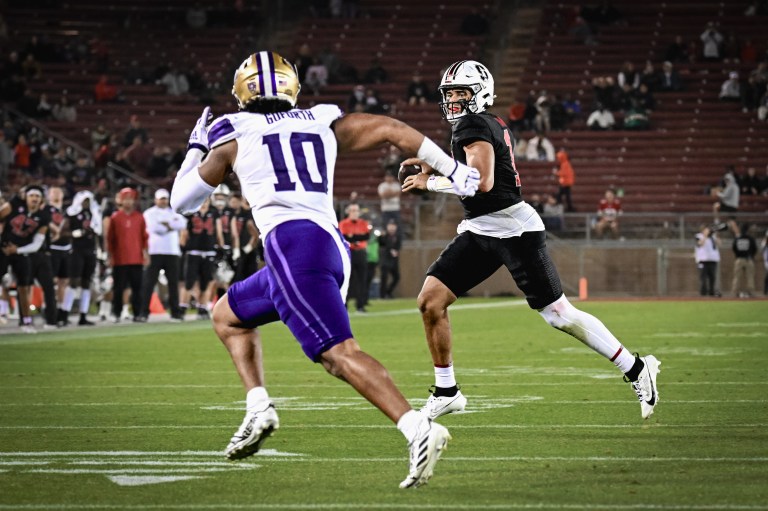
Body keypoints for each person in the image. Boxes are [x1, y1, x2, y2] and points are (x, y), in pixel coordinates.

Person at [169, 51, 480, 488]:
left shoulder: (233, 132)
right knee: (227, 315)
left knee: (339, 355)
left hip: (293, 245)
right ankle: (259, 408)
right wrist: (453, 169)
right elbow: (393, 129)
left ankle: (418, 428)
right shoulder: (319, 120)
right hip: (324, 244)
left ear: (242, 92)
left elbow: (181, 202)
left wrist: (197, 146)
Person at [400, 60, 660, 423]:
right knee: (431, 301)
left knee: (559, 316)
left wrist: (430, 182)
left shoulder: (474, 124)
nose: (455, 100)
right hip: (481, 228)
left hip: (514, 230)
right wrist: (435, 165)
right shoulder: (479, 124)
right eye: (451, 93)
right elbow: (472, 170)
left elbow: (483, 182)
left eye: (462, 92)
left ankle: (636, 367)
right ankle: (447, 391)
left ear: (481, 93)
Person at [0, 185, 52, 333]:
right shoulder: (14, 205)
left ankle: (26, 321)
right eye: (32, 195)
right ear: (26, 197)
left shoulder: (44, 217)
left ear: (42, 200)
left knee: (24, 286)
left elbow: (37, 244)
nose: (34, 199)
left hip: (22, 252)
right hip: (3, 248)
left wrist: (17, 250)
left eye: (37, 196)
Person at [140, 188, 186, 321]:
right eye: (161, 199)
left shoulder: (174, 211)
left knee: (173, 284)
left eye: (165, 198)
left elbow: (183, 223)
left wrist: (166, 225)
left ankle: (175, 312)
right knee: (149, 283)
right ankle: (144, 312)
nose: (163, 201)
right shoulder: (149, 213)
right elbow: (155, 228)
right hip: (154, 251)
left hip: (172, 252)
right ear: (155, 200)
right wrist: (172, 225)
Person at [105, 187, 148, 322]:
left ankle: (138, 313)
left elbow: (144, 237)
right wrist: (110, 255)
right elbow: (110, 239)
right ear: (121, 201)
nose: (128, 202)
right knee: (118, 288)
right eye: (126, 199)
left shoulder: (139, 217)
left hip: (136, 258)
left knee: (137, 288)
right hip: (120, 259)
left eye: (131, 199)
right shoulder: (115, 217)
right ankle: (116, 313)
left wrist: (145, 254)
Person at [62, 190, 101, 325]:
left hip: (90, 250)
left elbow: (98, 232)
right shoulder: (72, 213)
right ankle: (64, 313)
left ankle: (83, 315)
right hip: (76, 250)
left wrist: (99, 249)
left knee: (86, 282)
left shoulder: (94, 214)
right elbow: (63, 231)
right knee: (73, 281)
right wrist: (76, 233)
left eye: (88, 201)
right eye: (84, 201)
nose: (87, 203)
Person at [339, 203, 370, 313]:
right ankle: (344, 305)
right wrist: (356, 238)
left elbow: (366, 236)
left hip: (361, 253)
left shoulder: (363, 223)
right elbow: (344, 237)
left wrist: (352, 237)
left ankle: (360, 305)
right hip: (349, 253)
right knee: (347, 279)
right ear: (348, 212)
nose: (354, 212)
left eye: (356, 210)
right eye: (352, 210)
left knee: (362, 279)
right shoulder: (343, 224)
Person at [731, 224, 757, 298]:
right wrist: (751, 256)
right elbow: (754, 248)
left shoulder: (738, 239)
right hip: (748, 259)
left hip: (739, 259)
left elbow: (734, 248)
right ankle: (751, 292)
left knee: (737, 276)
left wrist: (737, 255)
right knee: (750, 276)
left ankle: (735, 291)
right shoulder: (750, 239)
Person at [694, 224, 721, 297]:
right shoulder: (699, 236)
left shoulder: (713, 237)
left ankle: (711, 293)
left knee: (712, 278)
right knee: (703, 278)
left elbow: (719, 243)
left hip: (712, 260)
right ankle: (703, 294)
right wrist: (705, 235)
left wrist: (716, 234)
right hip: (703, 261)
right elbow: (700, 244)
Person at [379, 219, 401, 299]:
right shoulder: (384, 235)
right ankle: (382, 295)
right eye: (390, 226)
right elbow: (382, 244)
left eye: (393, 226)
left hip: (394, 260)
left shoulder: (398, 236)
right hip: (385, 260)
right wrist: (390, 250)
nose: (392, 228)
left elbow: (398, 246)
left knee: (396, 277)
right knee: (384, 278)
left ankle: (388, 292)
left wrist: (396, 251)